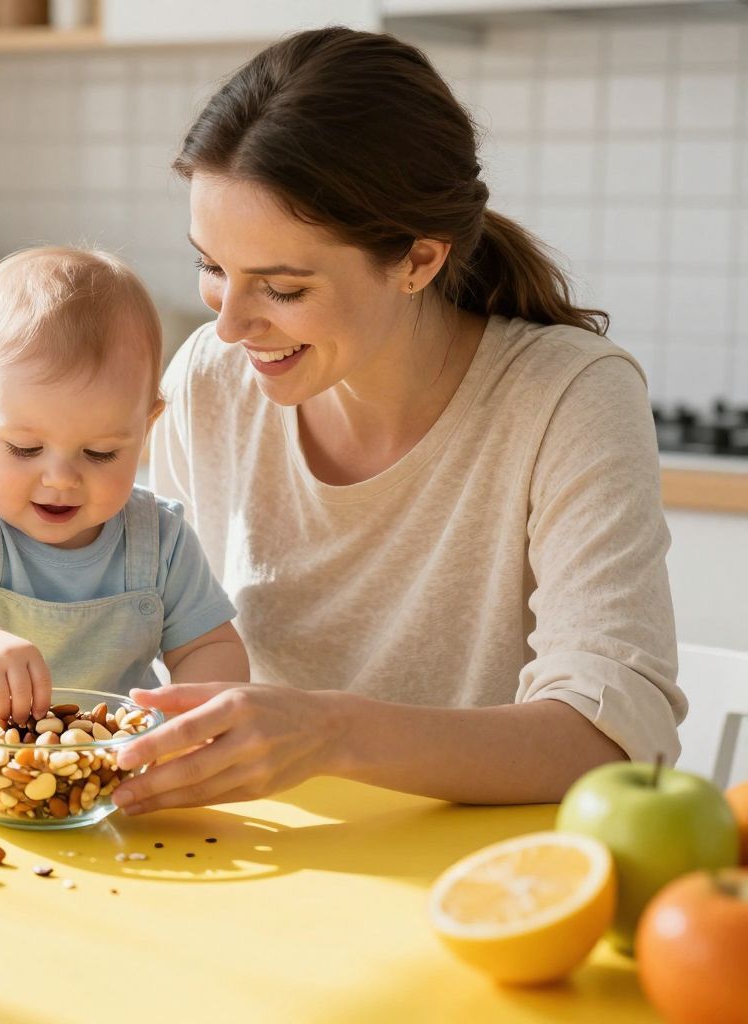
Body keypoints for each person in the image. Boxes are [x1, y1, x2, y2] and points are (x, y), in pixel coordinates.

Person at [110, 26, 685, 813]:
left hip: (477, 889)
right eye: (213, 267)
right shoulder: (209, 381)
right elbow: (159, 638)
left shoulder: (565, 396)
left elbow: (612, 741)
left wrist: (332, 736)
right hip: (255, 862)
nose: (232, 325)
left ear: (418, 259)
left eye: (281, 288)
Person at [0, 246, 246, 722]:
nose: (61, 479)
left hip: (106, 776)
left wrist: (194, 713)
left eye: (100, 453)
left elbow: (210, 645)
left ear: (146, 426)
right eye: (25, 449)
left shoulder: (160, 540)